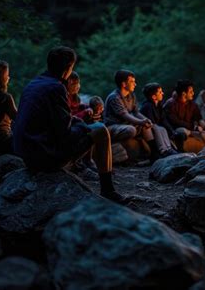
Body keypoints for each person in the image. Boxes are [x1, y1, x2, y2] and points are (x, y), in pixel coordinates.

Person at [13, 46, 129, 203]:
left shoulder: (33, 83)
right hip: (44, 156)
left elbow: (56, 118)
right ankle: (108, 189)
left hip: (27, 154)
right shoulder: (56, 87)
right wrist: (84, 126)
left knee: (89, 127)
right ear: (68, 68)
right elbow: (64, 133)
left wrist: (78, 122)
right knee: (100, 130)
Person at [104, 70, 153, 150]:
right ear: (124, 84)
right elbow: (124, 115)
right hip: (114, 126)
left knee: (146, 125)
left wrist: (145, 120)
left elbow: (136, 112)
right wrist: (140, 122)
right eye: (132, 82)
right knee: (131, 130)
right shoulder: (114, 97)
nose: (135, 84)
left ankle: (153, 151)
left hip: (126, 124)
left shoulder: (132, 95)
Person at [163, 79, 205, 150]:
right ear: (183, 93)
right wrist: (194, 127)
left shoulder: (192, 104)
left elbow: (198, 118)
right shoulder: (171, 104)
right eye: (191, 92)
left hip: (191, 129)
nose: (193, 93)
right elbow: (176, 122)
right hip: (176, 130)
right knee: (182, 131)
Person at [140, 83, 179, 157]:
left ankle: (169, 148)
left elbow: (163, 119)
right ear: (154, 97)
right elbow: (151, 121)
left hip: (156, 126)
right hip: (147, 127)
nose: (162, 93)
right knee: (158, 128)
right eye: (160, 92)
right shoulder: (147, 106)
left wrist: (172, 131)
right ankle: (163, 150)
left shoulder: (159, 105)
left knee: (163, 129)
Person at [0, 58, 17, 157]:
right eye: (6, 75)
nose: (9, 78)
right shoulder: (5, 98)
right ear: (0, 78)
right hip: (2, 141)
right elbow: (18, 118)